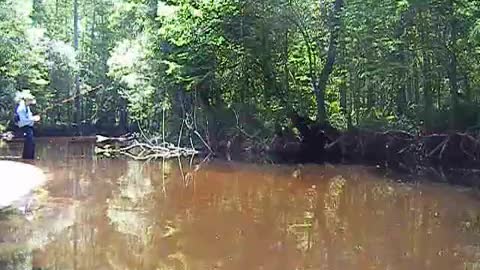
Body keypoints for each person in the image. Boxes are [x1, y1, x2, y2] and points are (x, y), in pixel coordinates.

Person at [15, 90, 41, 160]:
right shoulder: (21, 108)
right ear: (26, 100)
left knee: (31, 142)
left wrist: (33, 118)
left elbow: (29, 117)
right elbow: (23, 121)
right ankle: (27, 158)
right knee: (30, 141)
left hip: (28, 127)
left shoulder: (27, 107)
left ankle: (28, 159)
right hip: (23, 127)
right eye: (30, 100)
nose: (31, 102)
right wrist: (34, 119)